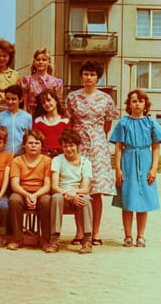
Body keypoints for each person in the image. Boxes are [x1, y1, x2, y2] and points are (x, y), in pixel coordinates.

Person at [66, 59, 119, 245]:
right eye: (86, 74)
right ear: (81, 75)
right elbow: (70, 122)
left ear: (98, 77)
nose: (89, 77)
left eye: (92, 74)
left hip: (97, 145)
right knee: (79, 187)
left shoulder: (106, 99)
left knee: (95, 191)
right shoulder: (72, 97)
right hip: (79, 143)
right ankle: (80, 231)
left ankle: (95, 232)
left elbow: (108, 123)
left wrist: (98, 138)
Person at [110, 89, 161, 248]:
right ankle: (128, 236)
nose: (137, 104)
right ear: (129, 104)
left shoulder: (151, 123)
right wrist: (118, 169)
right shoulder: (124, 123)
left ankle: (140, 235)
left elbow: (156, 147)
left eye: (140, 101)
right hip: (128, 161)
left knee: (143, 200)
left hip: (145, 160)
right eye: (134, 101)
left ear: (145, 104)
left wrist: (153, 169)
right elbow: (118, 147)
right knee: (128, 198)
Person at [45, 129, 93, 254]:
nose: (68, 149)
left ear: (77, 146)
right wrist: (68, 195)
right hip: (62, 194)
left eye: (72, 145)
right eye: (65, 146)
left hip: (78, 195)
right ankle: (54, 240)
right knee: (56, 198)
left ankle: (87, 240)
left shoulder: (86, 162)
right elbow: (54, 186)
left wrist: (74, 194)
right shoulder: (57, 160)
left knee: (86, 199)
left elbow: (85, 188)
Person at [8, 129, 51, 251]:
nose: (33, 146)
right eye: (30, 143)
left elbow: (47, 185)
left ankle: (46, 239)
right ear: (24, 145)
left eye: (37, 143)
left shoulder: (47, 161)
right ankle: (17, 238)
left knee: (47, 201)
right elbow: (14, 184)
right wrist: (27, 195)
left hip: (41, 192)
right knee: (14, 200)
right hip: (22, 191)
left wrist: (35, 195)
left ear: (41, 146)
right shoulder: (17, 161)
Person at [21, 47, 63, 114]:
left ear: (49, 62)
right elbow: (25, 103)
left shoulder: (56, 82)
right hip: (32, 113)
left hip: (49, 113)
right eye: (38, 60)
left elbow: (59, 102)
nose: (41, 62)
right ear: (34, 62)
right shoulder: (27, 80)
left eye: (44, 60)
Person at [0, 84, 32, 156]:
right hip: (4, 155)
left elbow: (28, 137)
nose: (10, 102)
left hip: (21, 155)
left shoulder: (27, 117)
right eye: (7, 98)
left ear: (20, 99)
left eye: (13, 99)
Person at [32, 89, 71, 158]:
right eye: (43, 102)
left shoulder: (65, 121)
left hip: (61, 156)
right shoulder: (38, 121)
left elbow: (68, 141)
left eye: (49, 100)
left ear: (56, 101)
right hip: (43, 157)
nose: (46, 104)